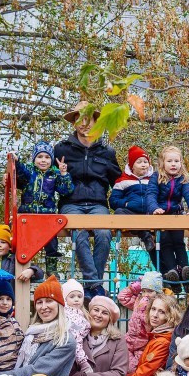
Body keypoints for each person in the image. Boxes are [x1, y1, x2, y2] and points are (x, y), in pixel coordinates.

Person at [54, 102, 122, 296]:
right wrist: (21, 178)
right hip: (71, 203)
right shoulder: (61, 149)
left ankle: (92, 285)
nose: (84, 124)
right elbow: (44, 173)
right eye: (79, 120)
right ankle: (95, 285)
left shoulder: (106, 152)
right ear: (74, 123)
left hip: (98, 203)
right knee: (80, 233)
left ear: (95, 122)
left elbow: (118, 181)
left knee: (104, 233)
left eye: (88, 120)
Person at [15, 140, 75, 264]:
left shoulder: (54, 174)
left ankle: (51, 267)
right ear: (34, 159)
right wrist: (16, 161)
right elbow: (20, 172)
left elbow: (66, 191)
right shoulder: (30, 172)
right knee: (24, 242)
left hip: (47, 213)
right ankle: (23, 265)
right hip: (28, 213)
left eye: (47, 157)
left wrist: (64, 174)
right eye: (40, 157)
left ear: (51, 160)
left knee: (51, 241)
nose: (43, 160)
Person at [11, 276, 77, 376]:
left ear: (59, 305)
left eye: (49, 301)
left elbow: (35, 372)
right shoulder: (31, 333)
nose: (43, 306)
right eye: (39, 302)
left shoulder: (65, 340)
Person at [68, 294, 128, 376]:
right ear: (89, 312)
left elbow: (119, 374)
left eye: (105, 313)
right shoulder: (76, 336)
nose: (98, 315)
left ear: (110, 319)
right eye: (96, 310)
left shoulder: (117, 340)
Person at [153, 145, 189, 289]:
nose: (173, 164)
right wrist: (154, 208)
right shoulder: (157, 177)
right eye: (169, 161)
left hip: (176, 215)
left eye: (176, 161)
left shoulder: (182, 179)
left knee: (179, 244)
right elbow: (151, 194)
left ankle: (186, 274)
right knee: (165, 244)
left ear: (181, 163)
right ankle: (172, 273)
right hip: (161, 217)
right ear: (162, 163)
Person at [125, 292, 180, 376]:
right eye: (153, 309)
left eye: (162, 312)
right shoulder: (156, 335)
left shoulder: (162, 342)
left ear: (170, 316)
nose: (154, 315)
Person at [109, 145, 159, 260]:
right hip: (132, 213)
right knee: (119, 213)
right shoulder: (123, 180)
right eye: (139, 162)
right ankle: (145, 235)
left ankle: (162, 268)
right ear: (132, 166)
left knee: (158, 245)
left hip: (149, 214)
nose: (143, 164)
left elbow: (160, 196)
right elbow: (113, 200)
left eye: (146, 162)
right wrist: (126, 204)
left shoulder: (154, 180)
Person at [118, 271, 161, 366]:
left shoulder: (156, 307)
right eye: (144, 290)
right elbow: (122, 297)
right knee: (122, 362)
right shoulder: (138, 300)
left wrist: (144, 306)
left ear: (157, 293)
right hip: (129, 340)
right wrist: (135, 287)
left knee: (135, 366)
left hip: (143, 345)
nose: (146, 294)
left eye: (150, 291)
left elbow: (147, 323)